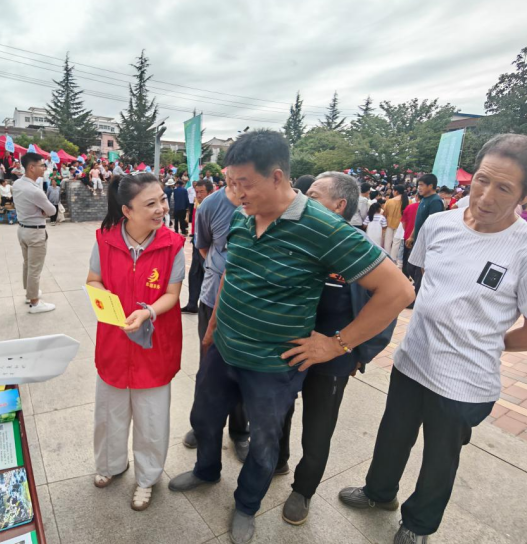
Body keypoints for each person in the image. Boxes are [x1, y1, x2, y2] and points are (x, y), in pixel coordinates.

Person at [167, 130, 414, 544]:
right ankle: (206, 470)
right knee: (204, 419)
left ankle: (247, 505)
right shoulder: (244, 215)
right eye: (231, 182)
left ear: (277, 176)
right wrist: (212, 326)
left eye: (244, 183)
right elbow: (232, 271)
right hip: (224, 349)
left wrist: (337, 344)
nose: (236, 193)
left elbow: (398, 291)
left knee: (264, 443)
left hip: (273, 366)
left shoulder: (324, 228)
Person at [339, 134, 527, 543]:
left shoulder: (525, 250)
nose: (486, 196)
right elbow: (424, 283)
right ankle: (379, 492)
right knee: (393, 435)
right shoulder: (440, 224)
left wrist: (489, 342)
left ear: (526, 196)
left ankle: (419, 524)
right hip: (413, 359)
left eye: (504, 188)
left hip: (465, 382)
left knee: (440, 458)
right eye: (481, 180)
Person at [277, 172, 397, 526]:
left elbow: (391, 302)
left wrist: (357, 351)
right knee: (277, 412)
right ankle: (276, 460)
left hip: (332, 358)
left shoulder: (361, 251)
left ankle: (303, 490)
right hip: (289, 348)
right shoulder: (298, 238)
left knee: (318, 428)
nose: (304, 200)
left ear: (339, 205)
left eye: (314, 196)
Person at [87, 174, 185, 512]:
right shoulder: (104, 240)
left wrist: (147, 313)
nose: (161, 209)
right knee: (109, 413)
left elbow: (172, 294)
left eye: (162, 200)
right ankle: (110, 464)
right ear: (127, 210)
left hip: (155, 345)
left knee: (151, 419)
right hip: (114, 342)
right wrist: (106, 301)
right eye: (151, 204)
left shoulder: (173, 244)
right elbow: (94, 280)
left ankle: (147, 477)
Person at [182, 170, 250, 461]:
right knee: (208, 366)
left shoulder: (260, 202)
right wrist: (220, 270)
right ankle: (204, 425)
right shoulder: (210, 204)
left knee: (241, 369)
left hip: (248, 305)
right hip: (212, 299)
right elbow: (203, 246)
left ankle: (240, 431)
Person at [12, 153, 57, 314]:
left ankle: (30, 293)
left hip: (22, 229)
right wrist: (42, 211)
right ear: (31, 167)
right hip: (35, 232)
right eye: (42, 165)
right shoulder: (34, 190)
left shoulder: (17, 184)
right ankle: (35, 303)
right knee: (34, 268)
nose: (44, 168)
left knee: (27, 264)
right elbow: (52, 211)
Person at [406, 174, 445, 302]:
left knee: (419, 270)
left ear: (431, 186)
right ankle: (419, 292)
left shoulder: (435, 201)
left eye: (422, 185)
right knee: (411, 267)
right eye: (418, 185)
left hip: (427, 242)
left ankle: (418, 298)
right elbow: (419, 221)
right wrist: (412, 236)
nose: (419, 187)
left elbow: (434, 225)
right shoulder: (424, 199)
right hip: (418, 240)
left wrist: (428, 244)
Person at [181, 179, 214, 314]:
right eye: (197, 192)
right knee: (194, 274)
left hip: (207, 246)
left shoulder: (213, 207)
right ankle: (192, 304)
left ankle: (208, 307)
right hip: (196, 242)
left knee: (209, 275)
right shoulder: (198, 204)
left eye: (202, 192)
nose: (198, 195)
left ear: (210, 192)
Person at [383, 184, 407, 255]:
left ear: (396, 191)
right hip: (401, 225)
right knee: (396, 243)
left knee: (387, 242)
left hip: (389, 223)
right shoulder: (408, 201)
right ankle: (393, 258)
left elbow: (385, 213)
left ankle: (387, 256)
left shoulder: (389, 201)